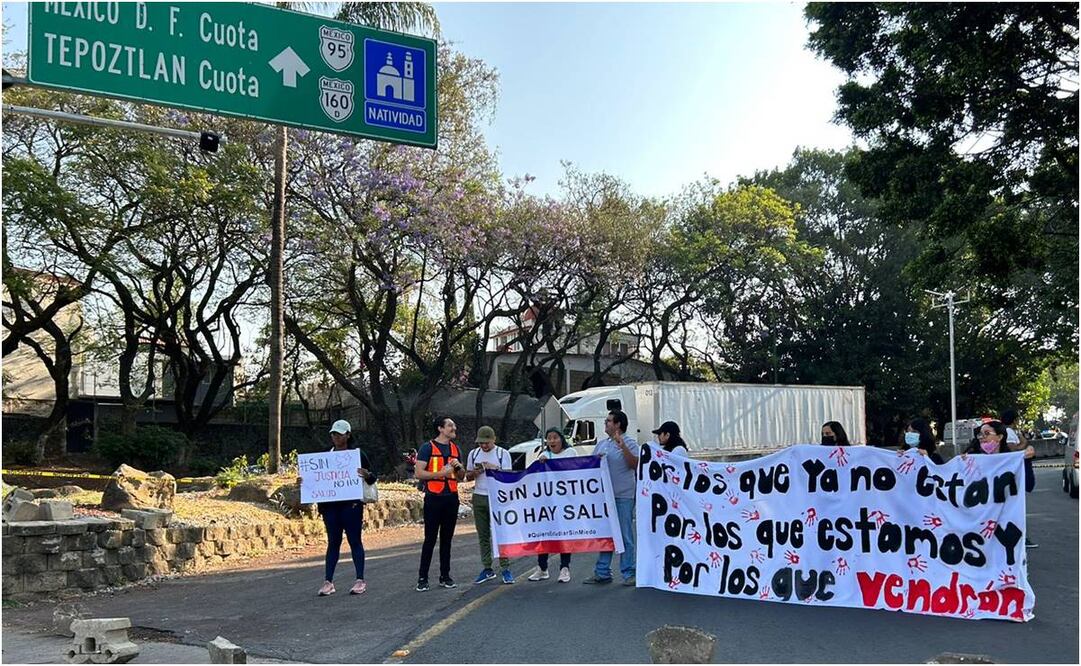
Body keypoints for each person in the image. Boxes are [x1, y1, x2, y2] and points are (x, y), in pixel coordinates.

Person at [314, 419, 377, 597]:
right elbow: (317, 478)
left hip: (351, 505)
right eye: (333, 434)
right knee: (333, 542)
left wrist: (367, 474)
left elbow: (372, 478)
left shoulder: (357, 455)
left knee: (354, 540)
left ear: (348, 435)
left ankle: (360, 580)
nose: (336, 437)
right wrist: (305, 482)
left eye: (339, 434)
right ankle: (328, 581)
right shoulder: (326, 455)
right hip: (330, 507)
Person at [583, 409, 638, 587]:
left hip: (623, 496)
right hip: (605, 497)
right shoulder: (601, 444)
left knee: (625, 535)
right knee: (605, 534)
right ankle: (602, 572)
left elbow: (635, 465)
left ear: (618, 425)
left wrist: (623, 447)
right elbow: (588, 468)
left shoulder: (629, 442)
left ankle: (629, 572)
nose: (605, 424)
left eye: (608, 421)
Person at [965, 420, 1038, 548]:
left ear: (1000, 437)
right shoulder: (971, 459)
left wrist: (1026, 461)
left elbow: (1029, 486)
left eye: (987, 433)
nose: (982, 438)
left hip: (1003, 524)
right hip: (979, 523)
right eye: (980, 434)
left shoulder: (1012, 460)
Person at [414, 416, 466, 591]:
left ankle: (445, 576)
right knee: (430, 539)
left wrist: (458, 468)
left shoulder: (455, 449)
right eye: (450, 425)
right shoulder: (427, 448)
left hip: (451, 497)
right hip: (433, 498)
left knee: (447, 539)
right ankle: (423, 578)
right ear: (440, 429)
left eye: (454, 424)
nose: (454, 427)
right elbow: (419, 473)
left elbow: (461, 477)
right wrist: (440, 473)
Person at [465, 425, 514, 585]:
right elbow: (467, 477)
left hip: (497, 497)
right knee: (483, 534)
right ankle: (487, 567)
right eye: (481, 443)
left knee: (500, 533)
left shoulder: (502, 454)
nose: (484, 446)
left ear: (493, 440)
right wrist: (476, 472)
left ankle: (505, 568)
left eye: (486, 443)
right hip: (479, 495)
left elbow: (508, 477)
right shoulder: (473, 454)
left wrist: (494, 469)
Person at [528, 428, 578, 583]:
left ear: (561, 439)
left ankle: (565, 568)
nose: (552, 441)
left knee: (564, 536)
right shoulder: (544, 456)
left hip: (565, 503)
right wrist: (540, 463)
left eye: (555, 438)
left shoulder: (571, 453)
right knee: (544, 535)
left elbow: (576, 473)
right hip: (547, 504)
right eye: (549, 438)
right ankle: (542, 568)